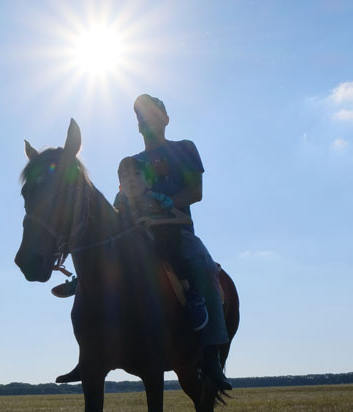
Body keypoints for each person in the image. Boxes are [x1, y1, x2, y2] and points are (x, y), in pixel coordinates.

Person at [54, 94, 231, 390]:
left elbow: (195, 192)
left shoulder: (184, 149)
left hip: (176, 230)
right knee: (97, 270)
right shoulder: (134, 162)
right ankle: (90, 354)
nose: (145, 121)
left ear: (165, 118)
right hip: (135, 233)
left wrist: (159, 208)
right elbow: (122, 199)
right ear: (137, 127)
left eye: (151, 114)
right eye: (140, 118)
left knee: (202, 266)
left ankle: (211, 352)